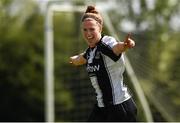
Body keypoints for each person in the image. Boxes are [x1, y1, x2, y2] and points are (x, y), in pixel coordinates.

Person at [69, 5, 137, 122]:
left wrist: (125, 45)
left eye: (92, 29)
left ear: (100, 28)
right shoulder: (91, 51)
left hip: (119, 107)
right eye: (85, 29)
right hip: (102, 108)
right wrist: (74, 60)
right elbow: (82, 58)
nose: (88, 33)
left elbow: (116, 47)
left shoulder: (106, 43)